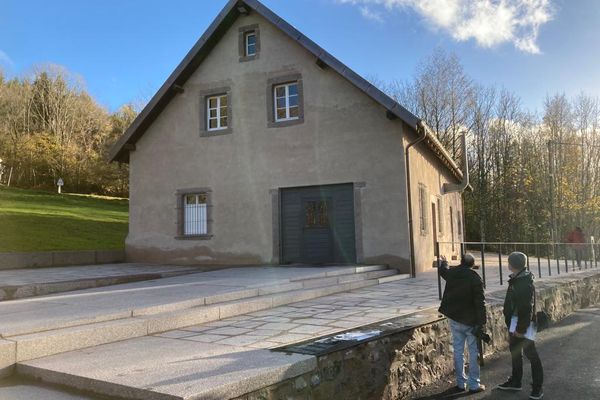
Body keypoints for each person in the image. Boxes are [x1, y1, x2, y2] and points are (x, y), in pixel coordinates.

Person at [497, 252, 544, 399]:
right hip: (516, 322)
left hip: (523, 324)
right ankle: (516, 381)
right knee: (515, 352)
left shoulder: (523, 281)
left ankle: (537, 388)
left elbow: (527, 307)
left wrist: (520, 329)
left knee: (531, 354)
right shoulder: (519, 278)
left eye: (508, 262)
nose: (507, 264)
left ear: (512, 265)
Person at [438, 253, 487, 394]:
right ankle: (474, 385)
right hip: (470, 321)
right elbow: (480, 302)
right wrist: (482, 322)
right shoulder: (474, 278)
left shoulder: (453, 273)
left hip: (454, 318)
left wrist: (444, 262)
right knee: (473, 352)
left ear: (461, 262)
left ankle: (460, 383)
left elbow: (443, 272)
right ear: (472, 264)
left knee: (458, 350)